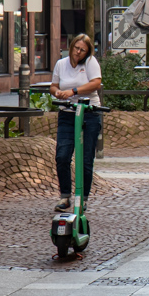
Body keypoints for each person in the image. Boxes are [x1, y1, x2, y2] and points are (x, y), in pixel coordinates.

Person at [50, 34, 102, 212]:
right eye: (76, 48)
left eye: (82, 50)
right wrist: (57, 92)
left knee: (86, 159)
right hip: (67, 114)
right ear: (71, 46)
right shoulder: (61, 64)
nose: (78, 53)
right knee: (62, 156)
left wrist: (73, 91)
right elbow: (53, 85)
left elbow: (96, 83)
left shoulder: (90, 63)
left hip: (88, 113)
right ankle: (65, 196)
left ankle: (84, 198)